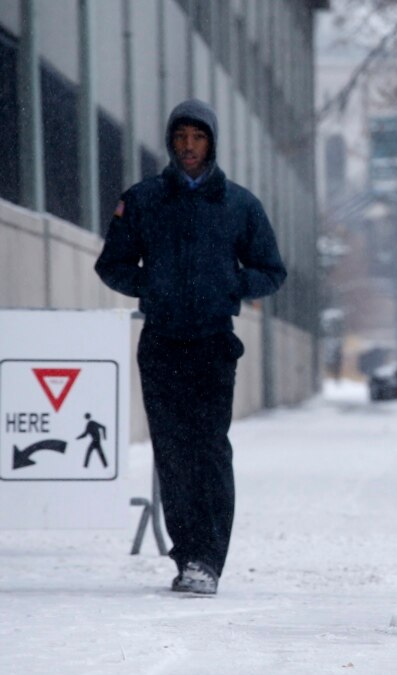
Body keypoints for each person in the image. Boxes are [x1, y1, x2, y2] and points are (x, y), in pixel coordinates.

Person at [95, 99, 286, 595]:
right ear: (169, 141)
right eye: (180, 136)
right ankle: (187, 559)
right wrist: (151, 285)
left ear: (212, 142)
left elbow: (271, 270)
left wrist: (231, 285)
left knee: (210, 451)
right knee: (173, 454)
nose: (188, 146)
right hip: (160, 342)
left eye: (197, 137)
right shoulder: (143, 200)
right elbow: (111, 264)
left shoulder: (239, 205)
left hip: (213, 344)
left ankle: (210, 559)